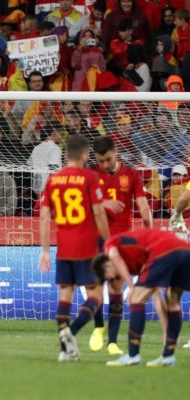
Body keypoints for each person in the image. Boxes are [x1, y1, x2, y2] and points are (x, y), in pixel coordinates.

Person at [39, 134, 110, 362]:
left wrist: (44, 251)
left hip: (63, 248)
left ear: (65, 154)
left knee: (65, 296)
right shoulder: (88, 178)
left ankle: (64, 350)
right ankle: (73, 331)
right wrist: (107, 243)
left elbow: (43, 217)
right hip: (87, 246)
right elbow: (99, 212)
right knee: (96, 295)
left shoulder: (53, 180)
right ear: (85, 154)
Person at [88, 136, 160, 355]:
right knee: (94, 289)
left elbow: (143, 206)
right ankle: (99, 327)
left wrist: (149, 231)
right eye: (101, 161)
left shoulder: (132, 175)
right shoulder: (90, 174)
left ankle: (112, 342)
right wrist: (103, 203)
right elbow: (80, 205)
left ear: (116, 152)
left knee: (116, 288)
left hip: (119, 244)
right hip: (93, 239)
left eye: (108, 160)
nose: (105, 165)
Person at [93, 228, 190, 367]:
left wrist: (131, 287)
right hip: (185, 250)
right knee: (173, 300)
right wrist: (166, 330)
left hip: (162, 251)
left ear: (106, 265)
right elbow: (156, 294)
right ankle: (168, 357)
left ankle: (133, 355)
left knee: (136, 299)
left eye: (113, 277)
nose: (116, 280)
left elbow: (114, 255)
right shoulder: (139, 258)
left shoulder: (109, 245)